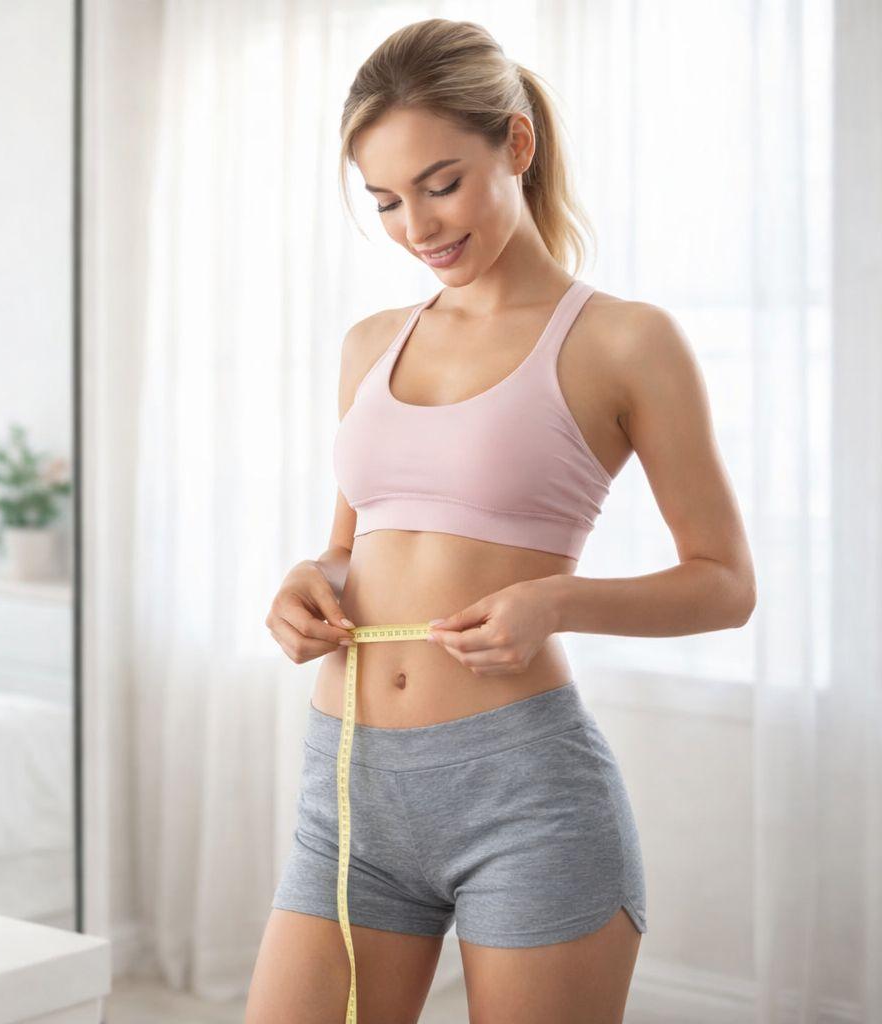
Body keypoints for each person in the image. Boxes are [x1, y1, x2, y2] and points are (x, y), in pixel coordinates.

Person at [246, 18, 756, 1024]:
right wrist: (309, 581)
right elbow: (349, 547)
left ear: (515, 145)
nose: (417, 227)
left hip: (523, 793)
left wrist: (555, 601)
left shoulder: (623, 340)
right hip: (347, 785)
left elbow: (725, 584)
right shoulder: (370, 343)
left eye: (441, 184)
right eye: (386, 201)